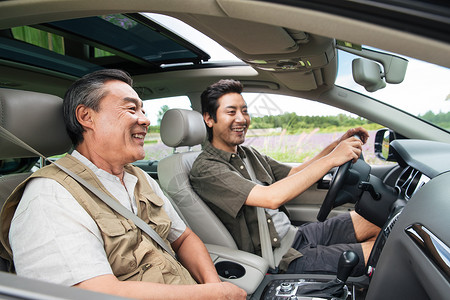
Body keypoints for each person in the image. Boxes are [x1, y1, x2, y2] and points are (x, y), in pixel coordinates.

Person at [0, 70, 246, 300]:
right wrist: (214, 294)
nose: (146, 120)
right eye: (131, 108)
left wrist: (213, 286)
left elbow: (183, 238)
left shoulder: (139, 177)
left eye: (143, 110)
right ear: (86, 117)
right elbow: (94, 294)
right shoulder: (50, 196)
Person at [190, 79, 381, 276]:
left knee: (374, 220)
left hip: (296, 235)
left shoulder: (248, 153)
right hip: (280, 257)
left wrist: (334, 146)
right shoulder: (206, 169)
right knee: (381, 252)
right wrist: (332, 159)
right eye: (231, 112)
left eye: (245, 111)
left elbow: (294, 174)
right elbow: (270, 198)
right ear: (209, 119)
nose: (241, 119)